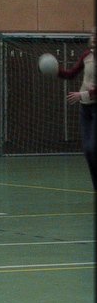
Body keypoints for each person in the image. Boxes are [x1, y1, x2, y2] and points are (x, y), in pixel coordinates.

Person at [56, 27, 96, 189]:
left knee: (93, 148)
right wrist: (55, 70)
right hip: (86, 109)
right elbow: (71, 74)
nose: (94, 37)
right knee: (88, 150)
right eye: (93, 34)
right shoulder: (87, 55)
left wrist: (84, 94)